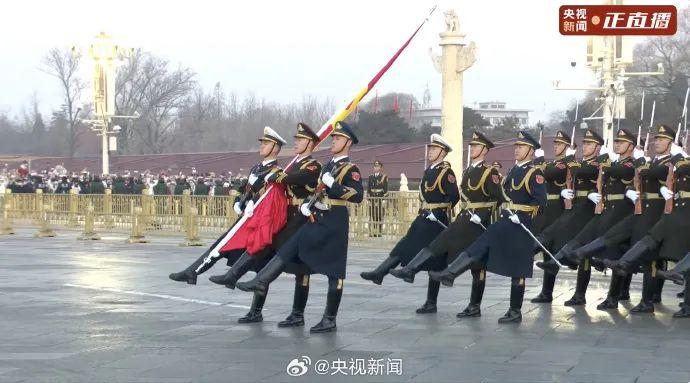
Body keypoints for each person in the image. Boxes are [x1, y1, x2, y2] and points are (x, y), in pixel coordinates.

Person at [236, 121, 364, 333]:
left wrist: (334, 185)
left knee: (335, 271)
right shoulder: (330, 166)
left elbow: (357, 195)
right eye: (333, 138)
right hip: (318, 215)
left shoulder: (351, 169)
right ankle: (264, 282)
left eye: (338, 139)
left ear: (348, 143)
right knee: (292, 248)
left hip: (336, 220)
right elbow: (317, 190)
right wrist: (308, 203)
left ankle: (329, 319)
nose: (334, 141)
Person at [208, 123, 322, 326]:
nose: (296, 142)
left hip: (302, 219)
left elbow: (295, 178)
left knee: (301, 268)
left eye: (300, 140)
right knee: (262, 253)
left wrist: (277, 175)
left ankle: (298, 314)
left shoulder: (312, 165)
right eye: (295, 139)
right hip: (286, 218)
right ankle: (253, 307)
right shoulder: (293, 163)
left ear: (310, 143)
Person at [428, 131, 547, 324]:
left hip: (521, 224)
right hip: (506, 220)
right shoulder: (513, 171)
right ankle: (450, 274)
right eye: (516, 146)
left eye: (522, 147)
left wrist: (524, 216)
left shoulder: (535, 173)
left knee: (517, 268)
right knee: (481, 243)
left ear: (531, 151)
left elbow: (541, 203)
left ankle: (515, 310)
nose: (517, 149)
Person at [385, 132, 502, 318]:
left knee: (478, 265)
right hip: (465, 218)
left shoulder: (490, 172)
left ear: (485, 150)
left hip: (478, 223)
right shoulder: (468, 171)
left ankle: (474, 305)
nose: (472, 149)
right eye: (471, 146)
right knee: (439, 243)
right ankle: (410, 269)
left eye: (476, 146)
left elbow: (498, 198)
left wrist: (482, 214)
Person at [168, 127, 286, 285]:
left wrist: (254, 201)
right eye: (262, 143)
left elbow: (270, 195)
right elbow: (243, 188)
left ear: (275, 148)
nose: (262, 146)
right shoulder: (257, 168)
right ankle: (196, 272)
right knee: (224, 244)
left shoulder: (276, 171)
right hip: (246, 216)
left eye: (266, 143)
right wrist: (238, 201)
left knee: (225, 244)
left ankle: (196, 272)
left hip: (257, 220)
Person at [360, 134, 459, 314]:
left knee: (431, 258)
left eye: (435, 149)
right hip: (425, 216)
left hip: (436, 219)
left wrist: (440, 209)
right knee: (406, 245)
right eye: (430, 148)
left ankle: (428, 299)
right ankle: (381, 272)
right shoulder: (429, 170)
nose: (431, 151)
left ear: (443, 152)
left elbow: (454, 196)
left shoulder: (446, 172)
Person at [539, 128, 636, 308]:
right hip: (602, 209)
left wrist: (571, 159)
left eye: (589, 143)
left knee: (615, 254)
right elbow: (597, 182)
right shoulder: (604, 163)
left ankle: (614, 296)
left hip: (618, 212)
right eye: (584, 143)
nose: (585, 146)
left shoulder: (627, 163)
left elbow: (601, 172)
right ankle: (561, 269)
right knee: (582, 242)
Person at [605, 140, 690, 317]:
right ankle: (625, 263)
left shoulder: (677, 160)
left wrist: (678, 156)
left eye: (662, 139)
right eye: (656, 139)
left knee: (680, 255)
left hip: (677, 213)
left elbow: (678, 171)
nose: (657, 142)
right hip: (673, 212)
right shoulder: (671, 161)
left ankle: (680, 299)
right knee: (651, 239)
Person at [530, 131, 576, 303]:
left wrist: (540, 161)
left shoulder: (563, 164)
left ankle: (547, 292)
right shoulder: (553, 163)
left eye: (559, 144)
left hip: (556, 209)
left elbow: (546, 175)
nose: (556, 146)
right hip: (544, 210)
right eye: (555, 144)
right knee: (544, 251)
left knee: (550, 251)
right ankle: (545, 292)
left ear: (566, 147)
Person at [367, 160, 388, 237]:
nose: (376, 167)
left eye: (377, 166)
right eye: (375, 166)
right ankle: (373, 231)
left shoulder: (383, 177)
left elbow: (385, 189)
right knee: (372, 215)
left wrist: (384, 199)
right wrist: (368, 199)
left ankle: (379, 231)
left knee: (379, 215)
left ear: (380, 167)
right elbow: (368, 189)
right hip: (372, 198)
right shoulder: (370, 177)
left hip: (380, 198)